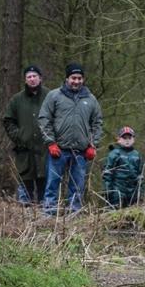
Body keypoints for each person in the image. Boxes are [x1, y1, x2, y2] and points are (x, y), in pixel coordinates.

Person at [38, 62, 103, 214]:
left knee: (78, 186)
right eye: (73, 78)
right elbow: (44, 119)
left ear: (83, 79)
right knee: (52, 184)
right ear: (67, 78)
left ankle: (75, 215)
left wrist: (93, 145)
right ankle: (48, 215)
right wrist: (50, 142)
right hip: (58, 149)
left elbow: (97, 123)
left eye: (80, 78)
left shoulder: (91, 99)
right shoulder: (54, 96)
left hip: (81, 151)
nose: (76, 81)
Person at [2, 65, 50, 204]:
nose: (32, 79)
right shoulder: (16, 100)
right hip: (24, 151)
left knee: (44, 185)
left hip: (45, 150)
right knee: (25, 185)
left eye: (35, 76)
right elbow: (8, 121)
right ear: (25, 80)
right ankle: (25, 219)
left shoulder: (50, 96)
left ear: (40, 78)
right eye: (29, 77)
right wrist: (19, 136)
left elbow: (58, 118)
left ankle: (44, 217)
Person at [102, 126, 145, 209]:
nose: (127, 140)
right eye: (124, 138)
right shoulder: (114, 153)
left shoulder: (137, 155)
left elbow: (140, 175)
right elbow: (107, 173)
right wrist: (107, 190)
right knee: (114, 212)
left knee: (131, 215)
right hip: (117, 191)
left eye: (129, 137)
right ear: (119, 139)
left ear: (133, 139)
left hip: (132, 192)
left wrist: (141, 193)